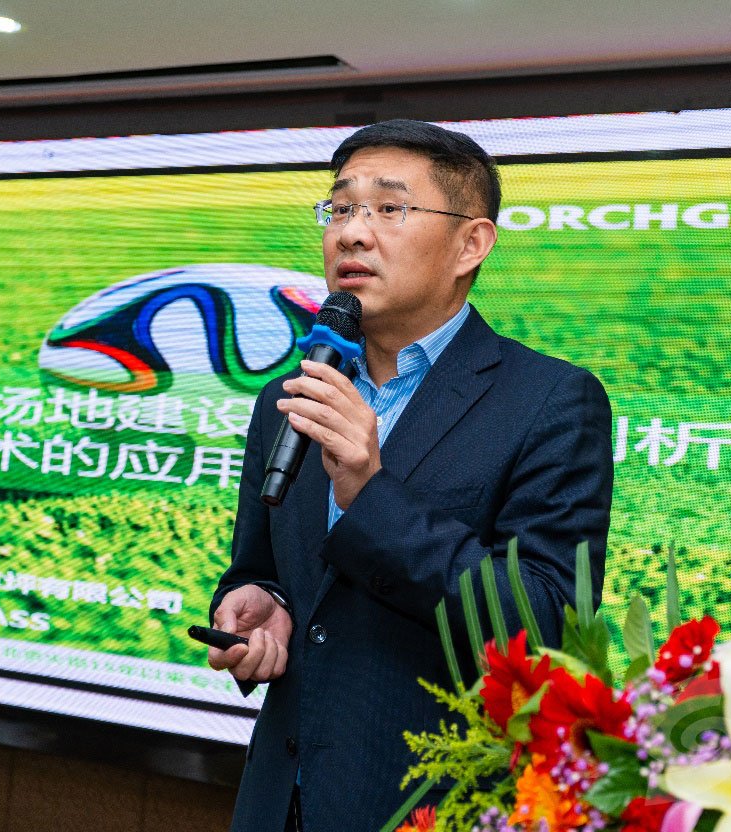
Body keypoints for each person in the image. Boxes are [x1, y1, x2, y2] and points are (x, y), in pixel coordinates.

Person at [208, 119, 614, 832]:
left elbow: (545, 623)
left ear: (470, 244)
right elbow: (263, 569)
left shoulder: (549, 401)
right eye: (340, 208)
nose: (351, 234)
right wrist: (258, 602)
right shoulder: (290, 397)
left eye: (389, 208)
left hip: (432, 808)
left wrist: (370, 493)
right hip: (278, 800)